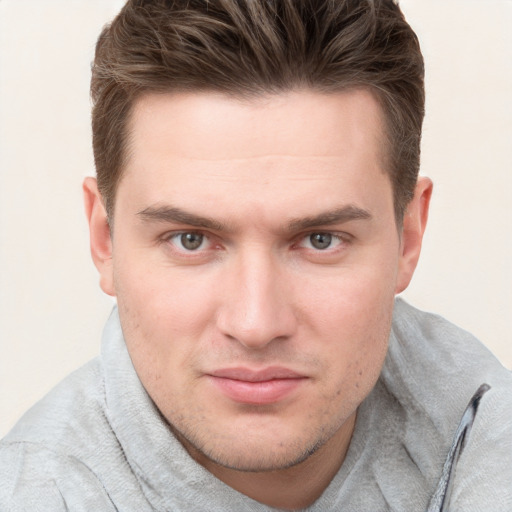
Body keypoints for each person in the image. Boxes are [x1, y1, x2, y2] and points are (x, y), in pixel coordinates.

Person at [1, 0, 510, 510]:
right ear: (104, 241)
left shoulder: (484, 430)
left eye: (320, 240)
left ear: (409, 236)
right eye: (191, 240)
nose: (255, 324)